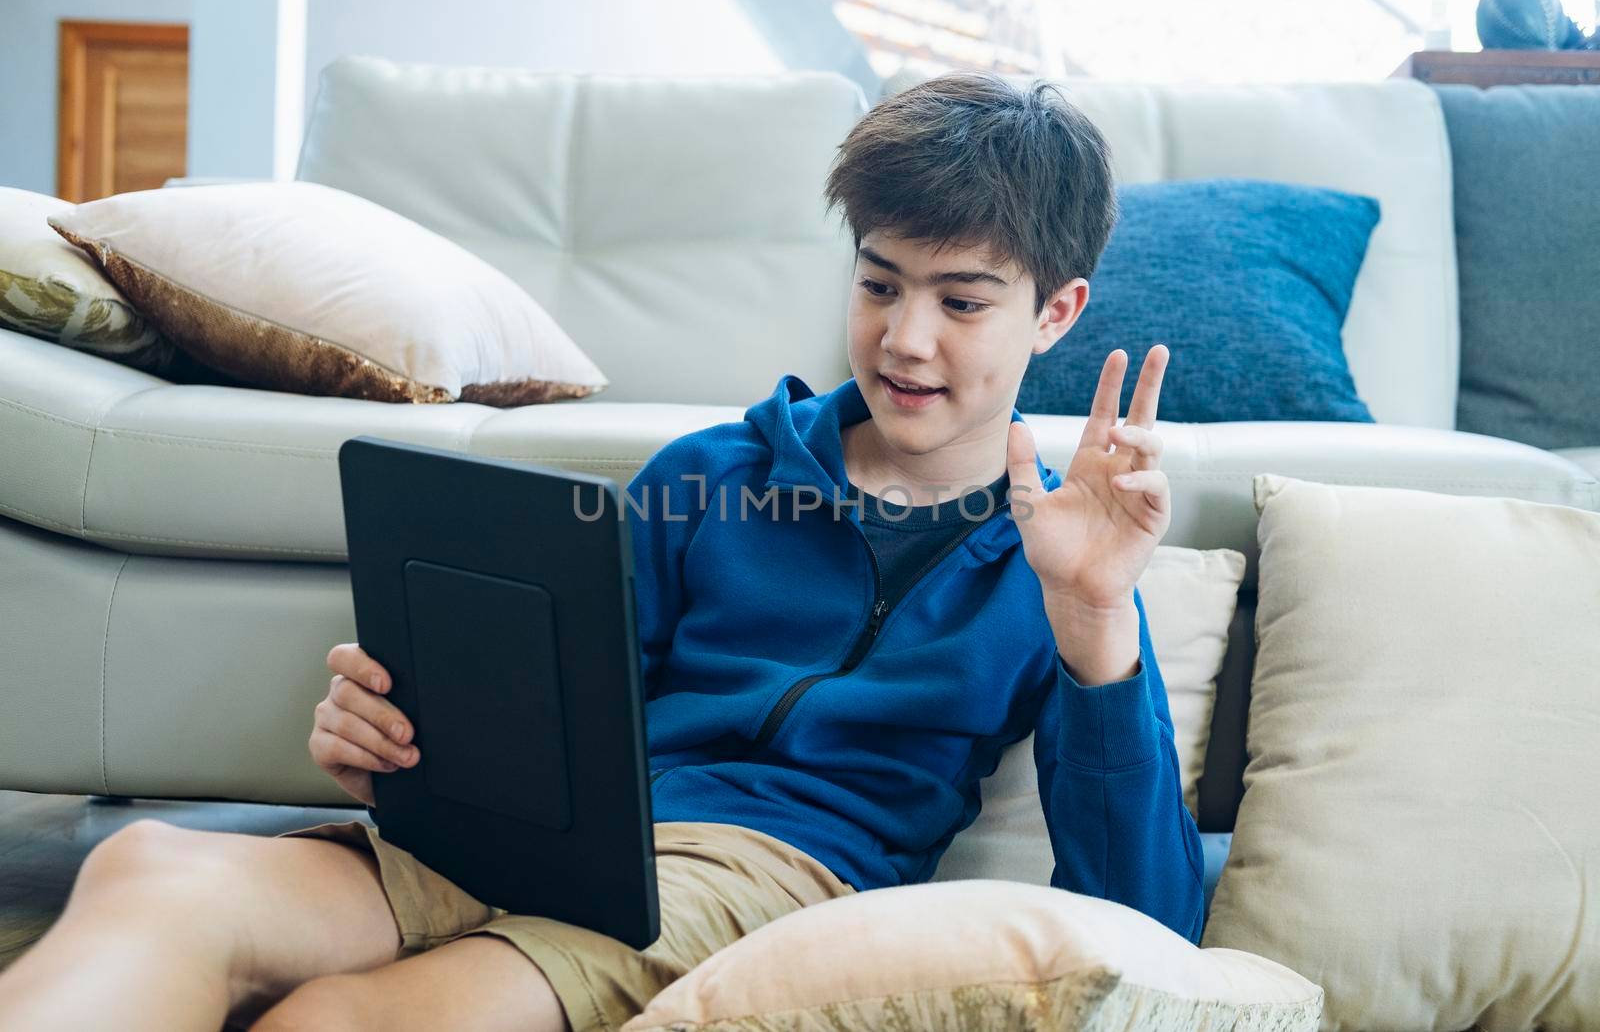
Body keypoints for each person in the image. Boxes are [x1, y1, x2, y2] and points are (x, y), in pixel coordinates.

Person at [0, 72, 1203, 1032]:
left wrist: (1097, 618)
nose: (904, 336)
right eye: (879, 282)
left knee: (350, 1018)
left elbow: (1151, 930)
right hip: (557, 838)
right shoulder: (708, 474)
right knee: (153, 868)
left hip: (762, 873)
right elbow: (554, 708)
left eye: (962, 300)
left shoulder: (1057, 567)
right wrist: (401, 742)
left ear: (1055, 312)